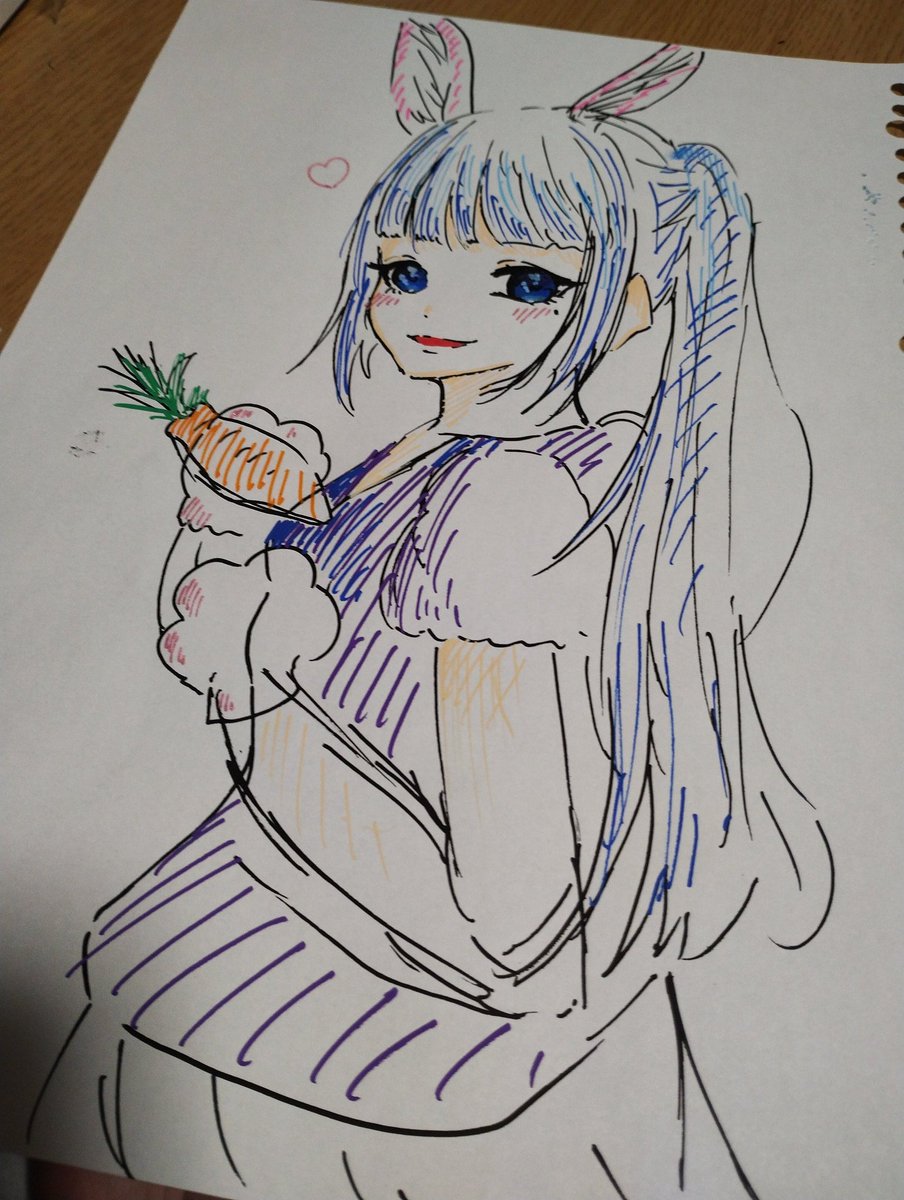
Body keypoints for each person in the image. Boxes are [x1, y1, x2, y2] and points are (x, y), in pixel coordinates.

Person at [29, 20, 832, 1198]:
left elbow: (508, 925)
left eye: (526, 281)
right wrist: (232, 525)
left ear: (633, 305)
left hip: (374, 1044)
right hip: (303, 967)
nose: (434, 310)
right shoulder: (436, 456)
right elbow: (272, 652)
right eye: (403, 271)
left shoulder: (505, 510)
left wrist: (258, 687)